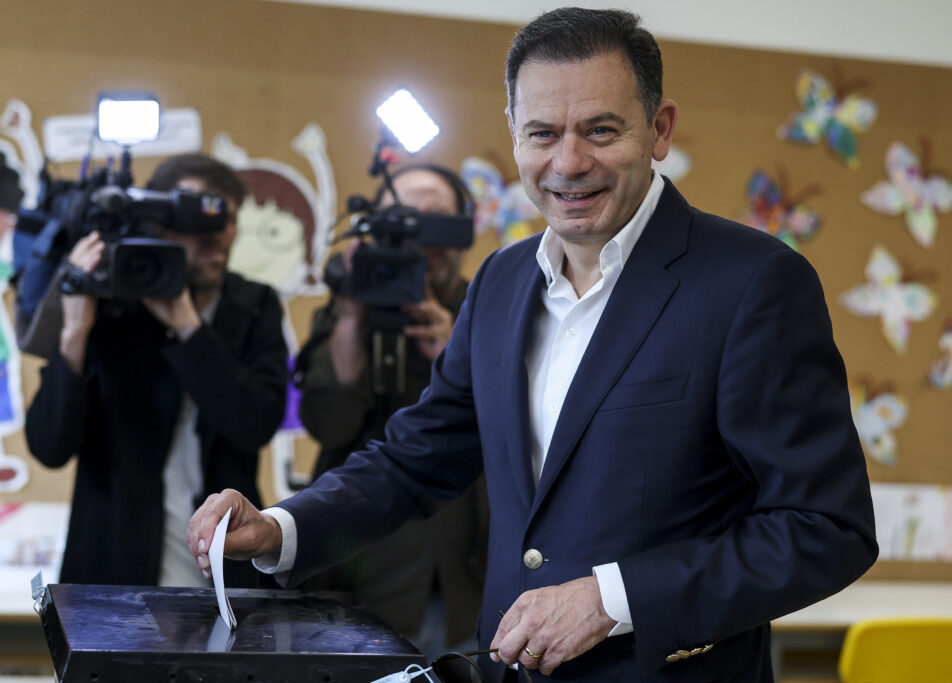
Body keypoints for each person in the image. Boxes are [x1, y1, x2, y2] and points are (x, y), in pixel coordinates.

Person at [188, 8, 877, 681]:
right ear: (515, 134)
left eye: (600, 130)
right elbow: (416, 459)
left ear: (659, 129)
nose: (568, 163)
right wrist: (280, 527)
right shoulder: (500, 280)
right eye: (542, 133)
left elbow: (826, 527)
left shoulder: (753, 281)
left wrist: (613, 598)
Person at [27, 153, 288, 588]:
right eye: (198, 216)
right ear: (157, 223)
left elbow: (255, 423)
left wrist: (187, 326)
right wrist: (74, 331)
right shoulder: (115, 304)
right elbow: (50, 446)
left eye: (228, 218)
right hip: (112, 570)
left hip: (226, 571)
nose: (218, 232)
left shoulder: (253, 304)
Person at [296, 164, 487, 655]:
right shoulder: (345, 313)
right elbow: (327, 425)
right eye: (402, 220)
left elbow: (522, 428)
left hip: (469, 560)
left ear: (461, 229)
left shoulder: (490, 308)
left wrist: (456, 351)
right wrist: (350, 317)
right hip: (364, 564)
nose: (418, 237)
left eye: (434, 219)